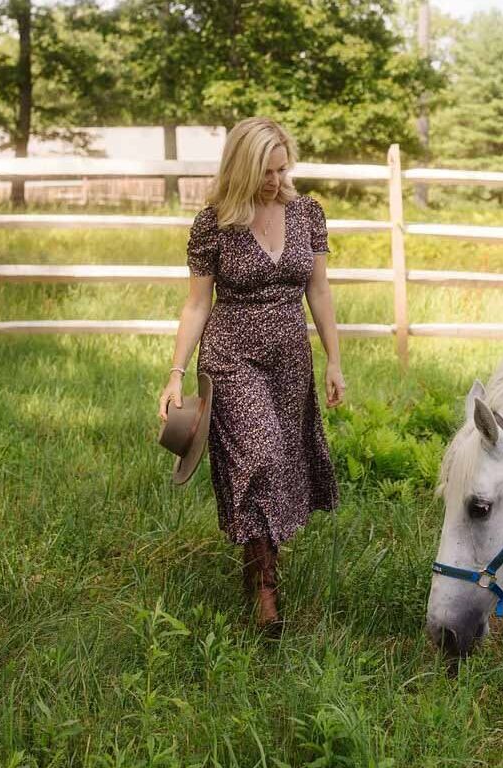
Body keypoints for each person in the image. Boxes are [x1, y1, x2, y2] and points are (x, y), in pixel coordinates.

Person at [158, 116, 345, 631]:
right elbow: (197, 305)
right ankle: (267, 592)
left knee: (281, 464)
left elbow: (320, 291)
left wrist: (333, 359)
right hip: (231, 358)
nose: (277, 180)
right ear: (242, 167)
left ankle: (258, 560)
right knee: (260, 455)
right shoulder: (213, 223)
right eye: (266, 171)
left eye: (283, 169)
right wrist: (175, 373)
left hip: (291, 360)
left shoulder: (307, 213)